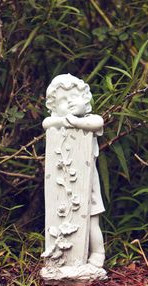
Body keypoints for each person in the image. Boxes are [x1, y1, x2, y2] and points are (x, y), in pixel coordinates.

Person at [43, 73, 105, 268]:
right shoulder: (56, 123)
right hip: (63, 184)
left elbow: (98, 123)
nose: (69, 103)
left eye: (74, 97)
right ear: (53, 107)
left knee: (92, 219)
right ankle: (62, 258)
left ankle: (98, 253)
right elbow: (47, 123)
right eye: (62, 100)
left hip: (87, 183)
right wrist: (63, 120)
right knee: (61, 219)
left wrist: (75, 122)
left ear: (85, 99)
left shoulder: (90, 120)